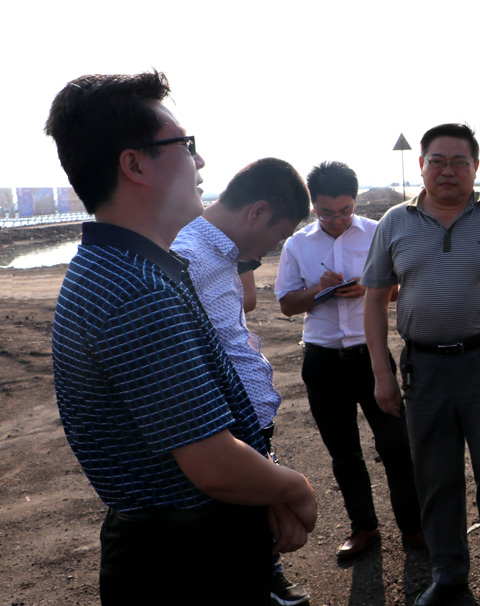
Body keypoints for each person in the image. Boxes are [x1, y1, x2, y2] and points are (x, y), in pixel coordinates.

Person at [45, 71, 317, 605]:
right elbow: (212, 464)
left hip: (176, 544)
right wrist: (295, 488)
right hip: (185, 560)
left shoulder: (126, 266)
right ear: (135, 164)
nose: (200, 162)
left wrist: (258, 485)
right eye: (186, 146)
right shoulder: (135, 289)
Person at [361, 124, 480, 606]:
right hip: (424, 369)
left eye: (459, 161)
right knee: (435, 477)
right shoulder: (394, 222)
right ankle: (448, 575)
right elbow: (374, 300)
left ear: (475, 167)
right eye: (437, 160)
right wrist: (382, 374)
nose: (447, 170)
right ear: (421, 165)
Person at [172, 158, 312, 606]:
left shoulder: (219, 254)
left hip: (242, 436)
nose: (273, 248)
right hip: (220, 439)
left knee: (254, 553)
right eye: (278, 234)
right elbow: (190, 381)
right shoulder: (188, 257)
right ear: (257, 212)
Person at [274, 161, 423, 560]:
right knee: (344, 453)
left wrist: (370, 291)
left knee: (397, 446)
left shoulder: (377, 233)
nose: (337, 220)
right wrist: (317, 291)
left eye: (345, 211)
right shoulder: (297, 245)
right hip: (321, 361)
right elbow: (287, 304)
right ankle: (364, 528)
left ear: (354, 202)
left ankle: (414, 528)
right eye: (327, 213)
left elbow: (403, 287)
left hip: (370, 357)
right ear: (313, 206)